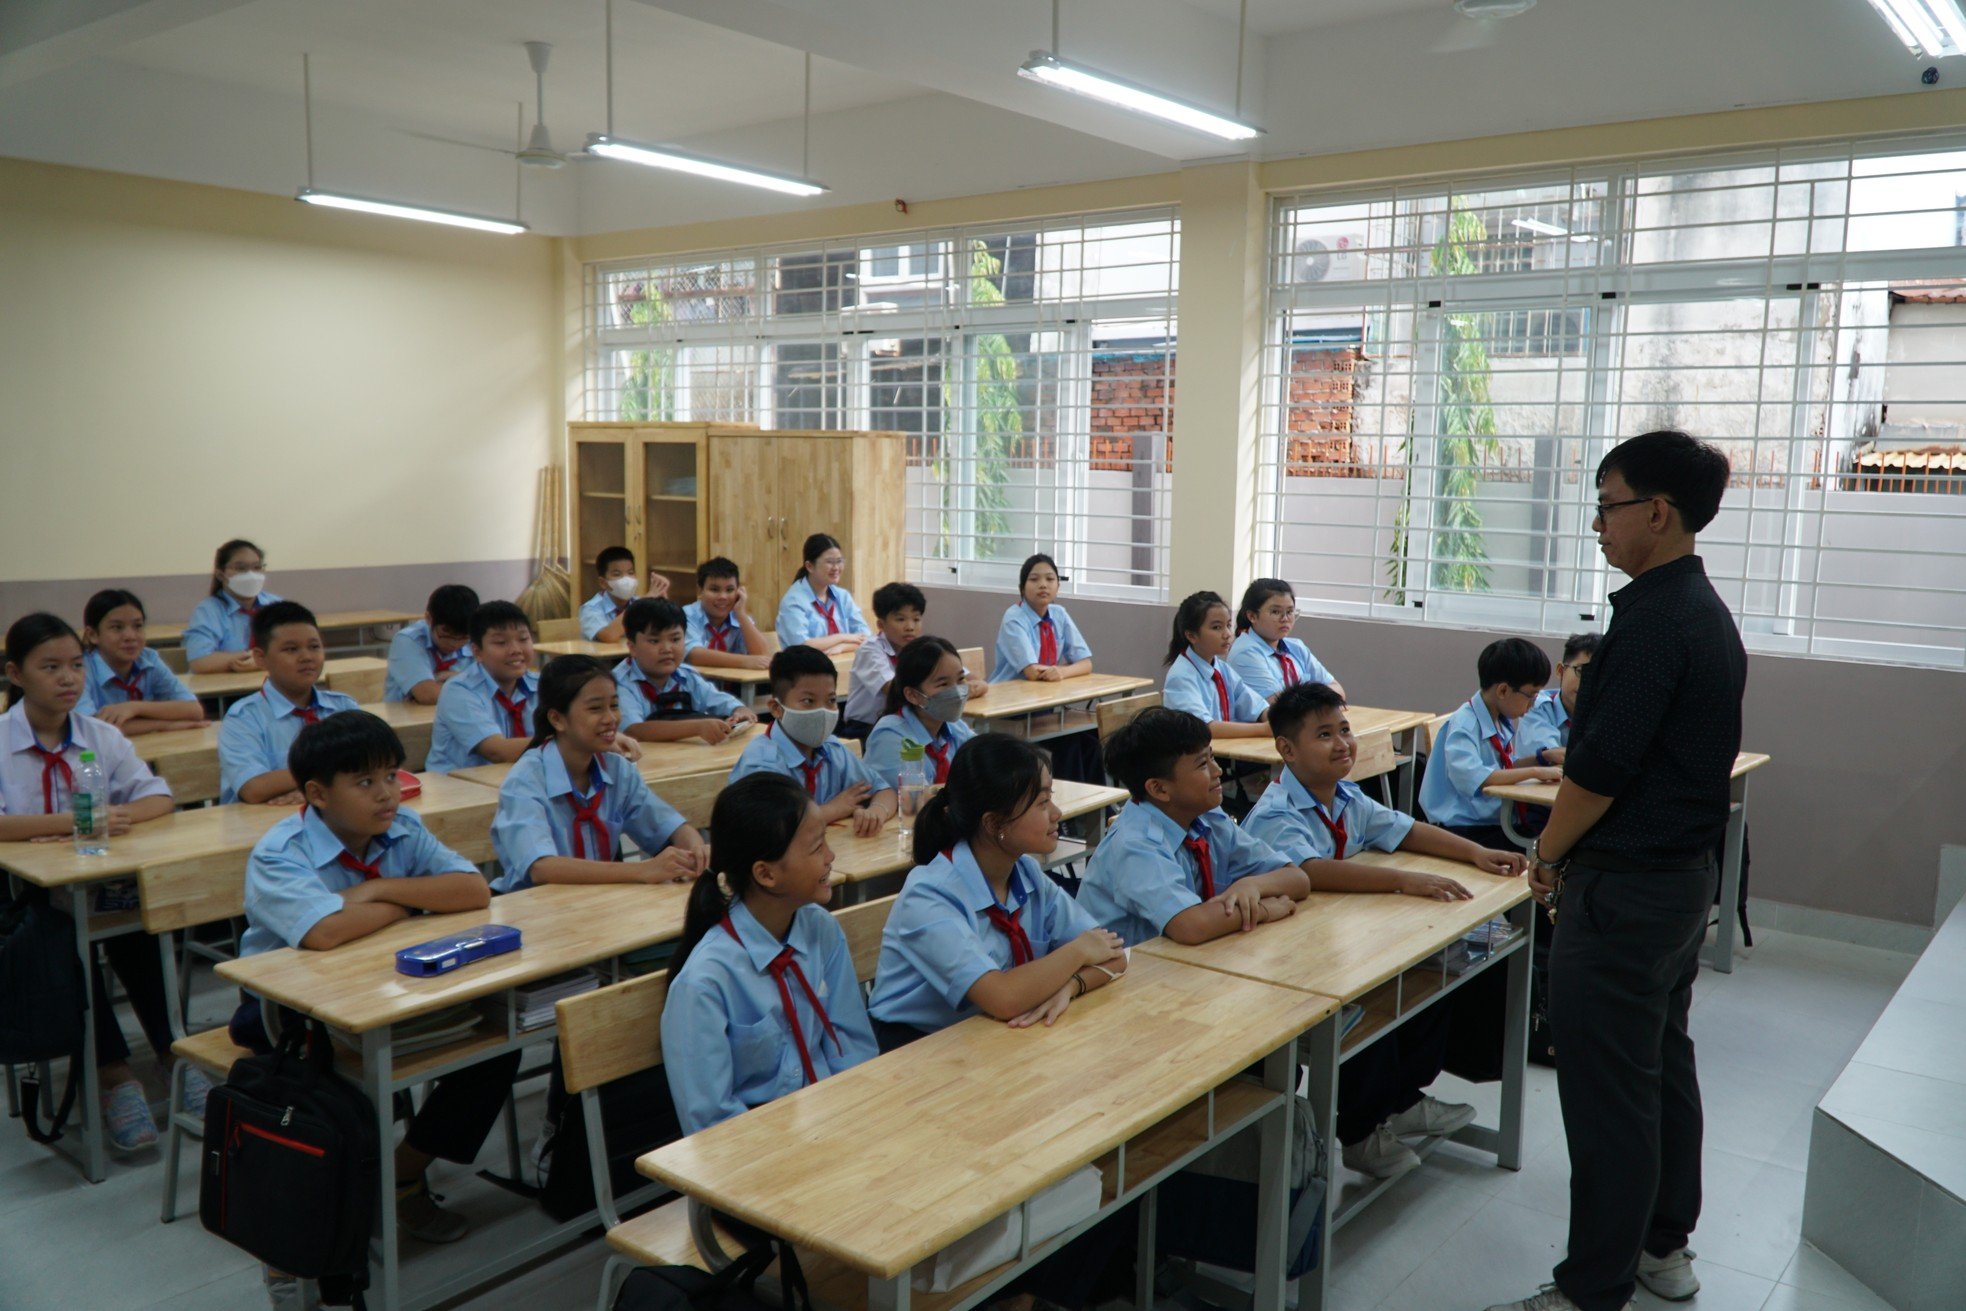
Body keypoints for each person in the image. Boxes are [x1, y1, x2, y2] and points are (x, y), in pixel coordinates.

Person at [1488, 431, 1746, 1311]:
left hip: (1625, 889)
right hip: (1677, 882)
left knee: (1608, 1096)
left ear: (1658, 513)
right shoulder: (1702, 610)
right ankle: (1662, 1245)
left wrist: (1546, 855)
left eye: (1607, 504)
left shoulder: (1649, 623)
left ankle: (1592, 1285)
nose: (1597, 523)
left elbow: (1599, 772)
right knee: (1660, 1064)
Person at [235, 711, 515, 1249]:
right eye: (365, 782)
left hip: (385, 987)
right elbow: (322, 933)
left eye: (391, 775)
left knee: (497, 1042)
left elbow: (473, 890)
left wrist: (376, 893)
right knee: (342, 1094)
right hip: (286, 1016)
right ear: (317, 794)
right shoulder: (280, 852)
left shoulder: (401, 827)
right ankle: (316, 1219)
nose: (388, 794)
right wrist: (409, 901)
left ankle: (402, 1173)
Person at [1244, 683, 1525, 1178]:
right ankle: (1358, 1130)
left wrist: (1473, 852)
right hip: (1288, 964)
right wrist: (1402, 880)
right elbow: (1311, 870)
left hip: (1345, 939)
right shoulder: (1275, 813)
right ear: (1286, 750)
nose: (1343, 743)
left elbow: (1405, 827)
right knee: (1372, 1007)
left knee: (1433, 973)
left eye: (1345, 730)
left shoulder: (1345, 795)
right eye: (1324, 734)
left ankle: (1401, 1099)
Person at [0, 613, 182, 1153]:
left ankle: (176, 1054)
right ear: (15, 673)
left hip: (97, 878)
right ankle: (114, 1074)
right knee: (66, 946)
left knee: (142, 929)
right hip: (21, 899)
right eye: (49, 667)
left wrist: (122, 817)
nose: (68, 679)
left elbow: (158, 797)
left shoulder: (101, 737)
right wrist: (77, 821)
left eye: (77, 665)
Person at [866, 734, 1126, 1047]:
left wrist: (1071, 985)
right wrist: (1080, 950)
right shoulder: (930, 894)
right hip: (918, 1049)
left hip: (994, 1034)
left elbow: (1114, 954)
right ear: (994, 824)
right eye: (1042, 803)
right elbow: (1004, 998)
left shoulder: (1025, 873)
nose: (1057, 813)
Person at [660, 774, 878, 1133]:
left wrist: (853, 1123)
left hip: (833, 1125)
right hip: (751, 1155)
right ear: (766, 874)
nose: (831, 856)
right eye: (816, 846)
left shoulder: (821, 930)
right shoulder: (704, 983)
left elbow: (852, 1046)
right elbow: (711, 1123)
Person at [1078, 707, 1309, 947]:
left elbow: (1298, 878)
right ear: (1159, 789)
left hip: (1186, 960)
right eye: (1202, 764)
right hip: (1128, 974)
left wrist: (1251, 885)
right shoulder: (1135, 846)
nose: (1218, 771)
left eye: (1211, 756)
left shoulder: (1207, 818)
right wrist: (1261, 910)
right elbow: (1191, 926)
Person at [488, 655, 706, 892]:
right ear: (557, 719)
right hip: (536, 909)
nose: (611, 719)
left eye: (614, 705)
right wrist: (642, 870)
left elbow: (670, 827)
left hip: (600, 900)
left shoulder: (617, 769)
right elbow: (541, 868)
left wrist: (694, 849)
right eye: (595, 709)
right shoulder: (526, 779)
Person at [726, 646, 895, 836]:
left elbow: (885, 790)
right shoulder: (763, 763)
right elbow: (770, 830)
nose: (822, 711)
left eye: (831, 700)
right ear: (776, 708)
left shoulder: (833, 750)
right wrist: (833, 810)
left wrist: (876, 812)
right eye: (808, 701)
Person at [1418, 637, 1561, 850]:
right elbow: (1481, 779)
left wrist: (1543, 757)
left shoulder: (1497, 718)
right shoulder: (1464, 725)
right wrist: (1534, 772)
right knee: (1545, 848)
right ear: (1503, 691)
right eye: (1530, 696)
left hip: (1495, 820)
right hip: (1463, 830)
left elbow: (1507, 767)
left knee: (1554, 834)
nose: (1532, 705)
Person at [217, 602, 360, 804]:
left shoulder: (344, 708)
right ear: (260, 658)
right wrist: (332, 775)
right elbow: (253, 788)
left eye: (314, 647)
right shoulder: (244, 718)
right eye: (291, 649)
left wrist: (313, 789)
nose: (307, 657)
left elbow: (370, 766)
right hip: (263, 827)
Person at [613, 598, 755, 744]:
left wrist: (739, 710)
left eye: (675, 639)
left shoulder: (686, 675)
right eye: (654, 641)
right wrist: (697, 727)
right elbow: (634, 731)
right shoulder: (618, 683)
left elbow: (718, 699)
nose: (667, 649)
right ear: (632, 647)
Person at [427, 602, 541, 772]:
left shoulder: (542, 685)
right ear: (477, 652)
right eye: (501, 643)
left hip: (514, 782)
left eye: (523, 639)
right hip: (458, 790)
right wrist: (566, 743)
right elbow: (497, 751)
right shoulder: (459, 691)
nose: (516, 650)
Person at [77, 589, 204, 734]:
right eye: (117, 628)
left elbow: (194, 710)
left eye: (137, 626)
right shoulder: (79, 669)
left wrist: (134, 707)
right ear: (93, 635)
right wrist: (164, 725)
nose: (130, 636)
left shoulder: (148, 659)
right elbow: (92, 728)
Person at [861, 636, 976, 789]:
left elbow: (987, 763)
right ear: (913, 695)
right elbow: (917, 798)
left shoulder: (955, 728)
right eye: (943, 684)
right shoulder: (889, 737)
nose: (956, 691)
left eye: (960, 679)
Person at [1161, 590, 1270, 740]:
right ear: (1191, 635)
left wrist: (1276, 721)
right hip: (1198, 758)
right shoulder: (1181, 676)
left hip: (1223, 753)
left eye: (1228, 625)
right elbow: (1205, 728)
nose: (1227, 634)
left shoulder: (1221, 668)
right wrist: (1263, 729)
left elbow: (1256, 706)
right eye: (1216, 627)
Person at [1227, 578, 1344, 702]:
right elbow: (1279, 707)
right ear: (1252, 616)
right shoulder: (1245, 653)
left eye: (1290, 611)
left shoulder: (1297, 647)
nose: (1285, 619)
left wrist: (1311, 699)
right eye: (1276, 612)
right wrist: (1319, 696)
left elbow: (1338, 691)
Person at [988, 553, 1091, 683]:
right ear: (1022, 588)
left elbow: (1086, 664)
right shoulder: (1014, 618)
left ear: (1058, 586)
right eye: (1034, 579)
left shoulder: (1059, 614)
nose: (1043, 585)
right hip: (1008, 696)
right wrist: (1066, 669)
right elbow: (1032, 672)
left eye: (1050, 579)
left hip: (1044, 693)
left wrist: (1062, 672)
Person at [184, 538, 282, 672]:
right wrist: (255, 658)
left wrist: (261, 661)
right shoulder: (208, 611)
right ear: (220, 574)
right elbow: (200, 661)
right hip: (223, 690)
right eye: (240, 568)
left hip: (268, 686)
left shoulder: (276, 605)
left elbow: (294, 649)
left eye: (257, 567)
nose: (251, 575)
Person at [774, 533, 869, 653]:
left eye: (839, 561)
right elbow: (803, 646)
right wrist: (843, 637)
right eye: (829, 562)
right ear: (809, 566)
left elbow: (866, 637)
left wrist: (842, 647)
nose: (836, 568)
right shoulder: (793, 601)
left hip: (841, 664)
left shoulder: (842, 596)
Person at [384, 584, 479, 704]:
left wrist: (457, 676)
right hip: (409, 718)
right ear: (429, 619)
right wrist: (472, 683)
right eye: (446, 634)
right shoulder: (407, 640)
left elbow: (500, 684)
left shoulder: (477, 638)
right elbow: (428, 695)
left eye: (463, 638)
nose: (454, 644)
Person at [1517, 632, 1597, 767]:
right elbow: (1553, 761)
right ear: (1561, 671)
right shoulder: (1536, 706)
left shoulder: (1607, 713)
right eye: (1581, 671)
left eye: (1598, 676)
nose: (1588, 684)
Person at [682, 557, 769, 671]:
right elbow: (693, 655)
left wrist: (741, 615)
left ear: (738, 591)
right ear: (700, 590)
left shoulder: (739, 616)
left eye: (729, 590)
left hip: (732, 687)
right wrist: (744, 661)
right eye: (714, 589)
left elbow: (762, 656)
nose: (723, 597)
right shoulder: (686, 615)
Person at [579, 545, 669, 643]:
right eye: (617, 574)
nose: (626, 579)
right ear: (603, 583)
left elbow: (664, 632)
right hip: (606, 658)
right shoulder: (590, 609)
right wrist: (642, 604)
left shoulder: (638, 602)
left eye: (630, 573)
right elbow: (608, 636)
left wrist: (662, 603)